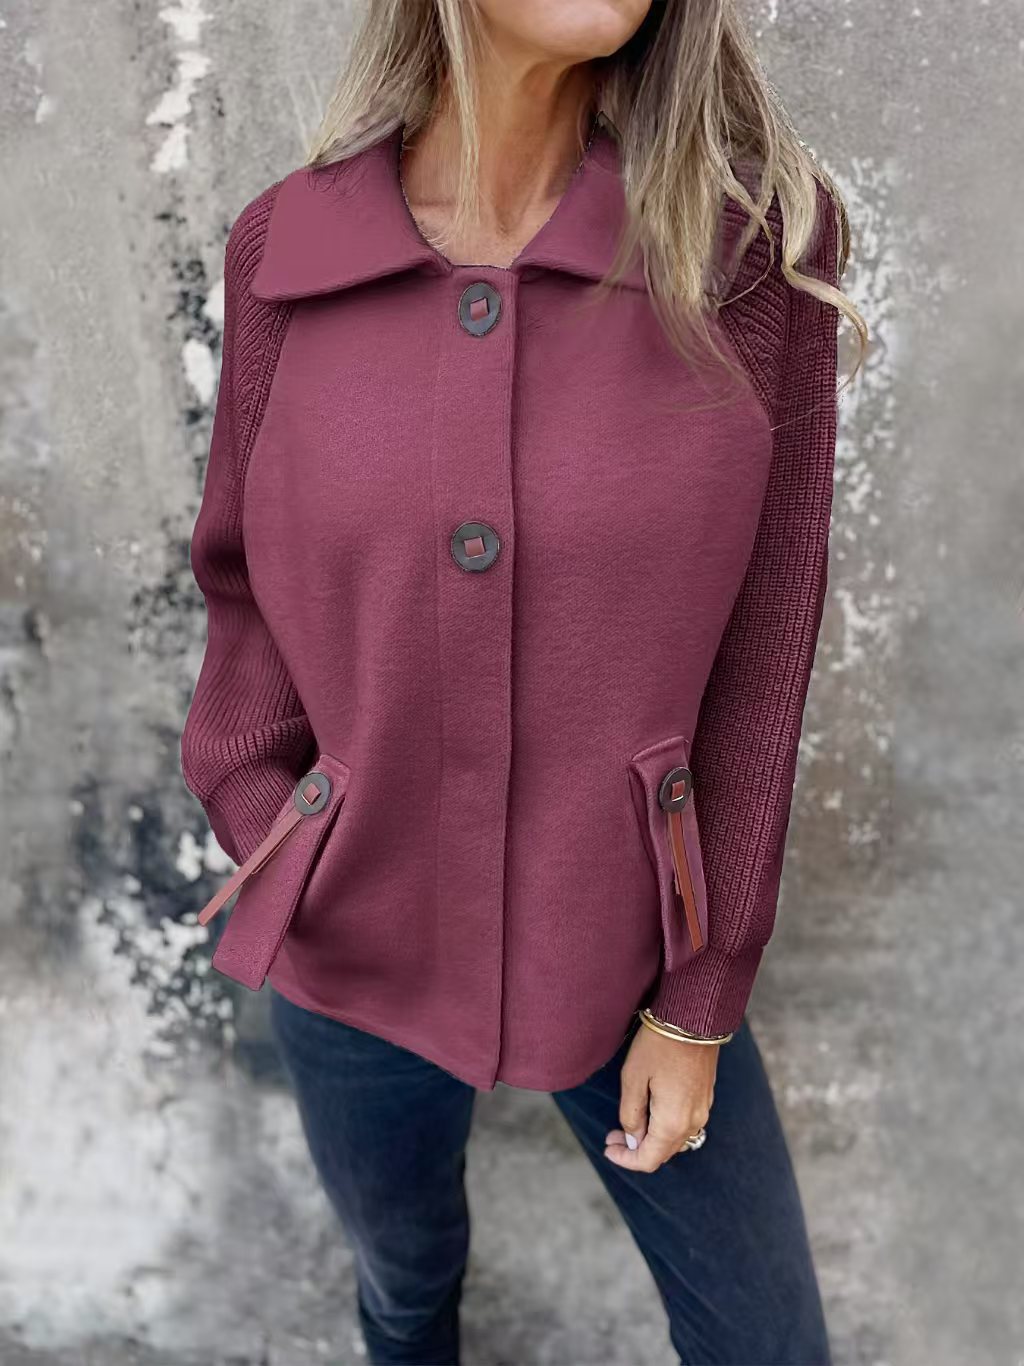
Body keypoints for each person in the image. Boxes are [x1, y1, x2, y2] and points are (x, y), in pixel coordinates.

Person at [180, 1, 868, 1361]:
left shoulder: (748, 251)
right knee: (405, 1288)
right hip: (350, 935)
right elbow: (241, 581)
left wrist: (701, 994)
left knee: (767, 1341)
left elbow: (766, 642)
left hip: (625, 950)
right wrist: (271, 818)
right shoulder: (287, 250)